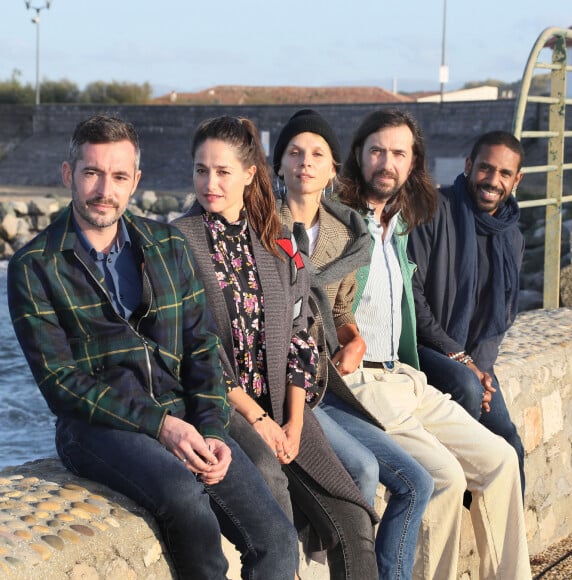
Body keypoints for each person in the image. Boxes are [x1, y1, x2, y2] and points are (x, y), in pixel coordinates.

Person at [7, 114, 299, 580]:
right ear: (68, 175)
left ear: (136, 181)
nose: (105, 189)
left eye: (119, 176)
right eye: (91, 173)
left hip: (183, 411)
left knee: (278, 540)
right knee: (186, 501)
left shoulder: (165, 244)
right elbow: (61, 384)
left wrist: (211, 428)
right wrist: (163, 426)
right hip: (97, 426)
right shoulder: (34, 266)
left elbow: (201, 345)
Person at [173, 115, 379, 580]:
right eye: (201, 170)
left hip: (285, 406)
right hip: (224, 405)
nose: (210, 183)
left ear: (249, 174)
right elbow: (192, 346)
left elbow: (303, 334)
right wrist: (261, 420)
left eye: (223, 172)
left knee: (353, 520)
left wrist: (294, 420)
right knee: (272, 491)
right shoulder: (178, 241)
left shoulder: (278, 241)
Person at [337, 109, 531, 579]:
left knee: (503, 459)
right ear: (359, 155)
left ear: (413, 162)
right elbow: (316, 298)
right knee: (446, 476)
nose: (387, 162)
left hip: (406, 375)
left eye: (398, 153)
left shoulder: (399, 227)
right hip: (362, 381)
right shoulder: (338, 223)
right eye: (377, 151)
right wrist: (345, 337)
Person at [273, 108, 433, 580]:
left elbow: (338, 308)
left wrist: (354, 337)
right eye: (294, 153)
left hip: (330, 384)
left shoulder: (346, 234)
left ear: (331, 168)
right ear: (279, 163)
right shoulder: (264, 227)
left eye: (317, 154)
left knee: (417, 482)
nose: (305, 162)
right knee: (361, 469)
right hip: (285, 385)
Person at [407, 131, 526, 496]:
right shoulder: (432, 211)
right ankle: (460, 509)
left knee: (510, 443)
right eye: (486, 169)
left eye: (505, 174)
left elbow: (500, 316)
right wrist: (459, 357)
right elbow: (412, 296)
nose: (493, 181)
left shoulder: (512, 236)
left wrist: (481, 366)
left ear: (516, 180)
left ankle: (508, 550)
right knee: (466, 386)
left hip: (472, 361)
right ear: (469, 166)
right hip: (425, 348)